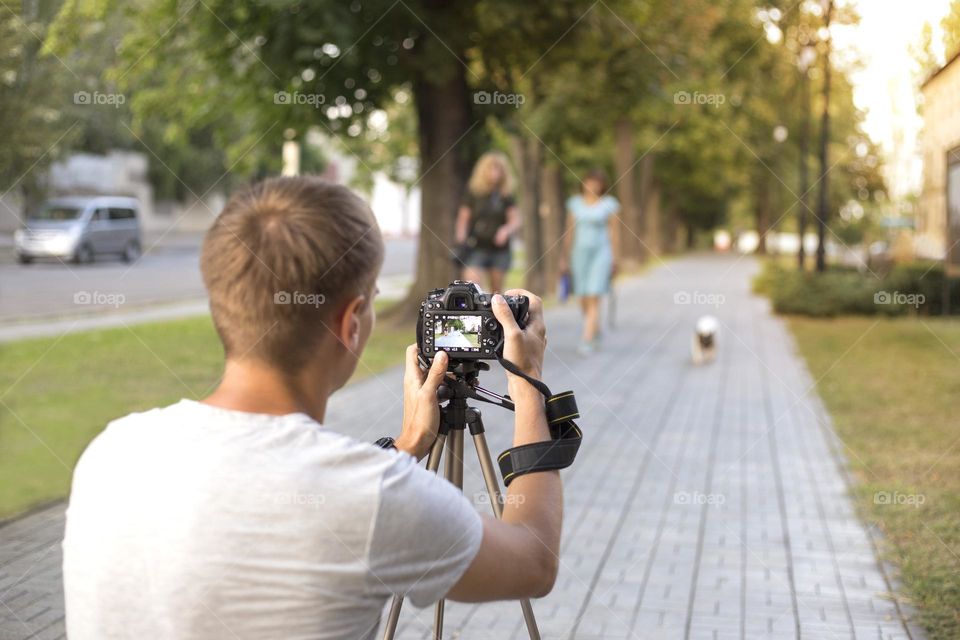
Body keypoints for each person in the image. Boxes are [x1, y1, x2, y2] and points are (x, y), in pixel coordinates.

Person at [62, 177, 562, 639]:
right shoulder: (376, 498)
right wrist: (526, 383)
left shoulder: (110, 453)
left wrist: (407, 446)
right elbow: (534, 562)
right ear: (351, 324)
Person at [560, 169, 621, 355]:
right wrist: (563, 258)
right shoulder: (575, 204)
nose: (593, 186)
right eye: (589, 181)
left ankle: (586, 339)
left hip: (601, 253)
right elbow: (569, 232)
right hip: (579, 254)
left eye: (597, 182)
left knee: (594, 295)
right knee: (582, 297)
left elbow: (615, 233)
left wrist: (616, 258)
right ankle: (595, 329)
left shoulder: (609, 204)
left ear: (602, 185)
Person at [455, 151, 521, 293]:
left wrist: (506, 230)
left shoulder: (505, 194)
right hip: (476, 246)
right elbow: (463, 219)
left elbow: (515, 220)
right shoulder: (474, 192)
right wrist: (461, 241)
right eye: (491, 168)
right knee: (471, 285)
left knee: (496, 291)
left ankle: (492, 315)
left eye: (498, 169)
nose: (495, 173)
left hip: (499, 249)